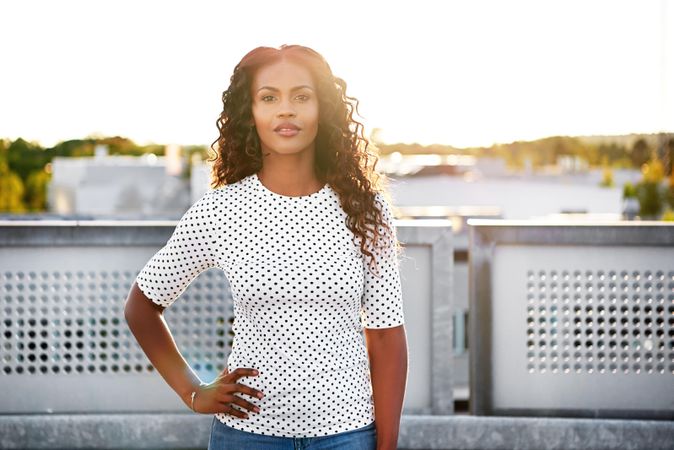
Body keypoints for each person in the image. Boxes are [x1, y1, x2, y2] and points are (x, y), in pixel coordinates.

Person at [124, 44, 408, 450]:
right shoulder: (221, 210)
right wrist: (192, 390)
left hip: (348, 435)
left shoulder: (365, 208)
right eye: (269, 97)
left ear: (323, 109)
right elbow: (142, 304)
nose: (286, 110)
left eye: (302, 97)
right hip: (246, 437)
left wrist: (387, 444)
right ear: (250, 112)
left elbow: (385, 335)